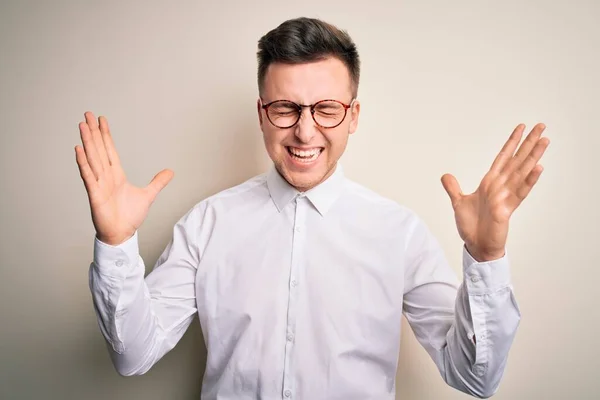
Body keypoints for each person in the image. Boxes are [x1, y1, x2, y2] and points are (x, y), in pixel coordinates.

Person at [75, 17, 549, 400]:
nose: (305, 132)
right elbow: (132, 355)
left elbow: (476, 379)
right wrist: (116, 244)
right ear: (262, 113)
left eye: (326, 109)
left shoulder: (398, 232)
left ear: (353, 116)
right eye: (286, 108)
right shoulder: (207, 224)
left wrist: (487, 258)